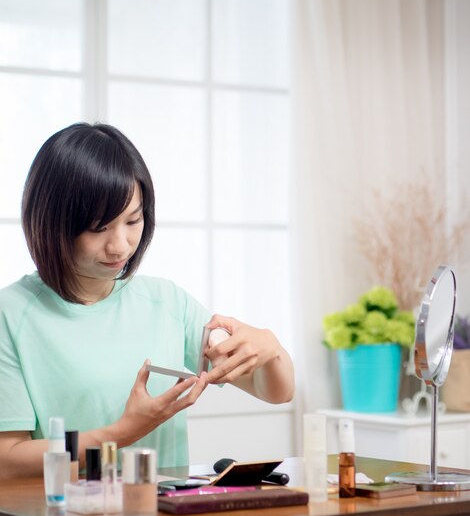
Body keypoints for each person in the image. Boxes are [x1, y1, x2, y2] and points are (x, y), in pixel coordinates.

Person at [0, 122, 294, 479]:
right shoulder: (11, 315)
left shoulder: (166, 302)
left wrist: (271, 350)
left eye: (133, 221)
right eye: (98, 228)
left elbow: (277, 392)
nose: (120, 245)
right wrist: (120, 434)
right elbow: (7, 457)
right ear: (51, 222)